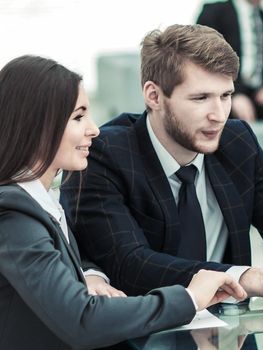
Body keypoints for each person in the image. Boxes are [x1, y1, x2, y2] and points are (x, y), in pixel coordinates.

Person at [60, 24, 263, 300]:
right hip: (145, 332)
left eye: (226, 95)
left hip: (230, 330)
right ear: (154, 95)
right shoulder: (103, 154)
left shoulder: (237, 141)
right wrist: (251, 278)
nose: (219, 114)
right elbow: (129, 263)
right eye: (200, 98)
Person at [0, 55, 247, 349]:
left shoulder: (36, 201)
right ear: (36, 126)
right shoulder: (15, 215)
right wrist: (190, 298)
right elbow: (82, 320)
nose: (94, 129)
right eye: (78, 117)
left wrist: (88, 275)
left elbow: (53, 260)